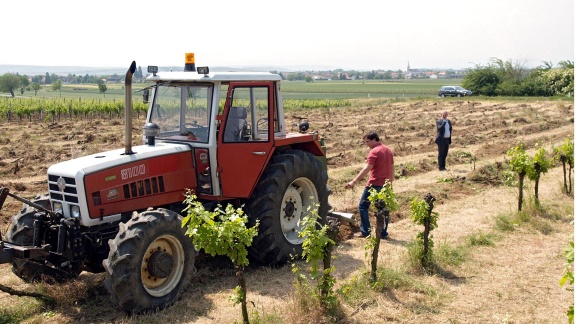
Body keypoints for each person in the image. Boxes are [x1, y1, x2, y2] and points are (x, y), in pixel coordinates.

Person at [346, 132, 394, 239]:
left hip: (374, 184)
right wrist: (390, 183)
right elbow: (392, 168)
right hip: (385, 185)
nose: (367, 144)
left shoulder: (374, 152)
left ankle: (365, 232)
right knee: (384, 209)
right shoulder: (388, 150)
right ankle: (383, 233)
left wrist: (354, 181)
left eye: (367, 141)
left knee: (363, 207)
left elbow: (366, 169)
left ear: (374, 140)